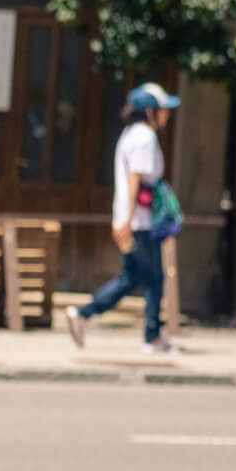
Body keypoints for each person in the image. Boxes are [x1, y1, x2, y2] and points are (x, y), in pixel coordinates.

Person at [65, 81, 180, 355]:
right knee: (153, 279)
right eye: (162, 109)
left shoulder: (131, 134)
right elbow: (134, 180)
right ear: (149, 111)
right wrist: (128, 221)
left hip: (130, 220)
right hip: (140, 222)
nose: (166, 114)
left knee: (131, 278)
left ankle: (84, 314)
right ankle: (152, 337)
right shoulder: (144, 137)